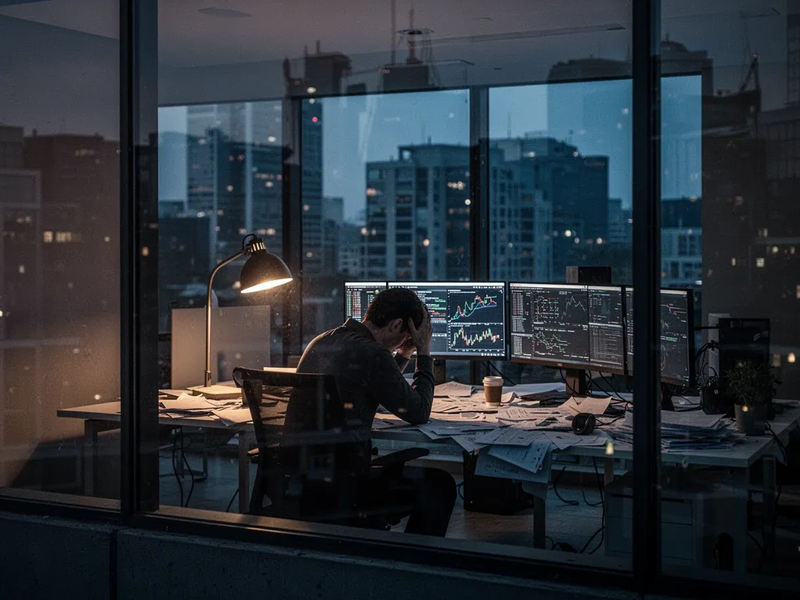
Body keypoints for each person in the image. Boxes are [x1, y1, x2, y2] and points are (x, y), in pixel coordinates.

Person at [286, 288, 456, 537]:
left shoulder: (321, 340)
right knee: (440, 485)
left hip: (305, 479)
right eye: (407, 335)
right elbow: (419, 410)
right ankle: (416, 567)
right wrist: (424, 353)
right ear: (397, 324)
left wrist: (404, 353)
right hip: (346, 486)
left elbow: (380, 385)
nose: (407, 341)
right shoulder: (373, 354)